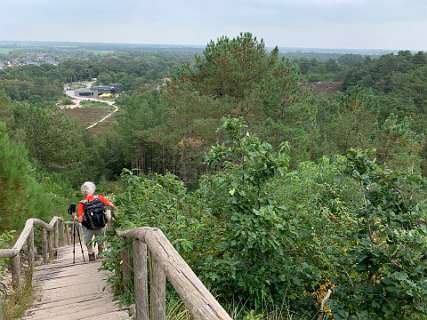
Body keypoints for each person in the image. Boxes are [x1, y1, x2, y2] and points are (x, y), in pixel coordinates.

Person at [77, 181, 116, 261]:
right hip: (101, 224)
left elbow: (80, 220)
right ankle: (100, 254)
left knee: (88, 240)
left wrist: (75, 217)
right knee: (101, 240)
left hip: (88, 227)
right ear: (93, 189)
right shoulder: (100, 198)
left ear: (83, 191)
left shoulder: (82, 203)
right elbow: (112, 205)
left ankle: (91, 254)